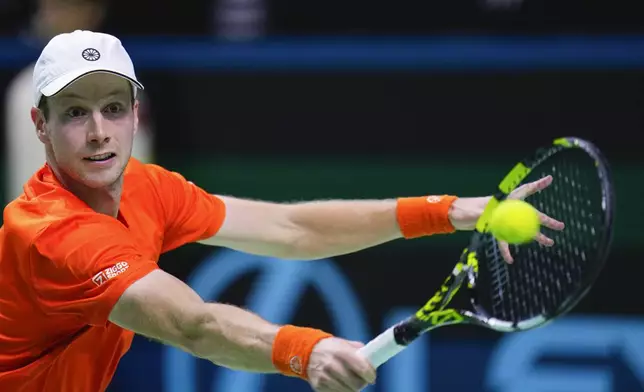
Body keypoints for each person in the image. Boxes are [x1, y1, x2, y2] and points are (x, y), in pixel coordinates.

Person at [0, 30, 565, 392]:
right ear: (40, 126)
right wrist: (305, 350)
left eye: (113, 108)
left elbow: (289, 229)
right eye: (75, 112)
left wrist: (448, 211)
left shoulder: (146, 187)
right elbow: (193, 325)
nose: (99, 132)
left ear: (134, 117)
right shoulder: (53, 234)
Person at [4, 0, 154, 203]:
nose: (50, 15)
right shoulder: (25, 88)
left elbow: (135, 178)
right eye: (48, 7)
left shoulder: (124, 83)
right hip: (48, 225)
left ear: (94, 11)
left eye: (64, 7)